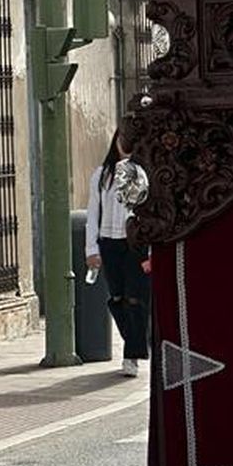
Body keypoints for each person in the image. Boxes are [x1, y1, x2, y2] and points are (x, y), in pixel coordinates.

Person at [86, 130, 152, 377]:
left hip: (135, 244)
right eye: (122, 138)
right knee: (116, 299)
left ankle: (131, 355)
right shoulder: (102, 176)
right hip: (108, 242)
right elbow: (92, 214)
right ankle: (138, 341)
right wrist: (91, 249)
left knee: (135, 299)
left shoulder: (144, 172)